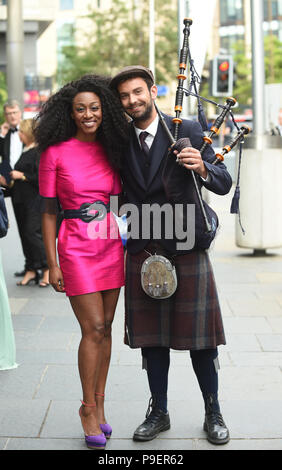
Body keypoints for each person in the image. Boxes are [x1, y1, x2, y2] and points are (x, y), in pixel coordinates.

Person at [110, 65, 232, 445]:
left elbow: (224, 180)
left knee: (201, 340)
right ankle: (158, 412)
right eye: (125, 96)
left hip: (186, 246)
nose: (132, 101)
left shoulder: (189, 130)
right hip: (144, 248)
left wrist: (203, 167)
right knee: (152, 340)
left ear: (152, 90)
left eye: (137, 92)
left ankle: (213, 411)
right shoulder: (117, 140)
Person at [35, 75, 129, 450]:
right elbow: (45, 212)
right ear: (70, 113)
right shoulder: (54, 153)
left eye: (94, 108)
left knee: (106, 328)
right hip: (74, 247)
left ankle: (101, 405)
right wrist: (52, 263)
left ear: (103, 110)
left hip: (109, 245)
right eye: (80, 109)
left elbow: (120, 202)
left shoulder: (112, 149)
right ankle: (86, 408)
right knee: (92, 328)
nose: (88, 114)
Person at [9, 119, 49, 287]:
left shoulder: (39, 152)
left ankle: (46, 268)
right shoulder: (26, 150)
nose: (19, 135)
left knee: (32, 233)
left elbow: (41, 178)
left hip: (33, 200)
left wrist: (22, 176)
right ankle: (31, 269)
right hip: (19, 200)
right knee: (24, 235)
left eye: (22, 132)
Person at [0, 100, 25, 277]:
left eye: (15, 112)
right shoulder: (5, 134)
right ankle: (30, 265)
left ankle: (44, 267)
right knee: (22, 227)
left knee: (33, 229)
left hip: (29, 183)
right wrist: (1, 136)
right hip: (12, 185)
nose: (12, 116)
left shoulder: (30, 131)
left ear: (20, 112)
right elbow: (3, 158)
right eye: (9, 114)